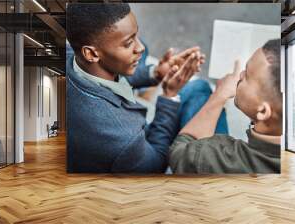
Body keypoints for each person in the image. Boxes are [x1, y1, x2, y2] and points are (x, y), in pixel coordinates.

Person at [66, 3, 208, 173]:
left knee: (145, 49)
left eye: (136, 36)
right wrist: (169, 96)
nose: (138, 47)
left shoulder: (69, 54)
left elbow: (107, 69)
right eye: (129, 43)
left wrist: (155, 73)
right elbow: (155, 164)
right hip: (137, 150)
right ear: (92, 54)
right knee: (200, 88)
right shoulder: (122, 136)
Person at [169, 39, 282, 174]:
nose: (240, 75)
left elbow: (180, 151)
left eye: (246, 75)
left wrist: (220, 95)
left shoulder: (212, 157)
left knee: (199, 89)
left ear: (263, 111)